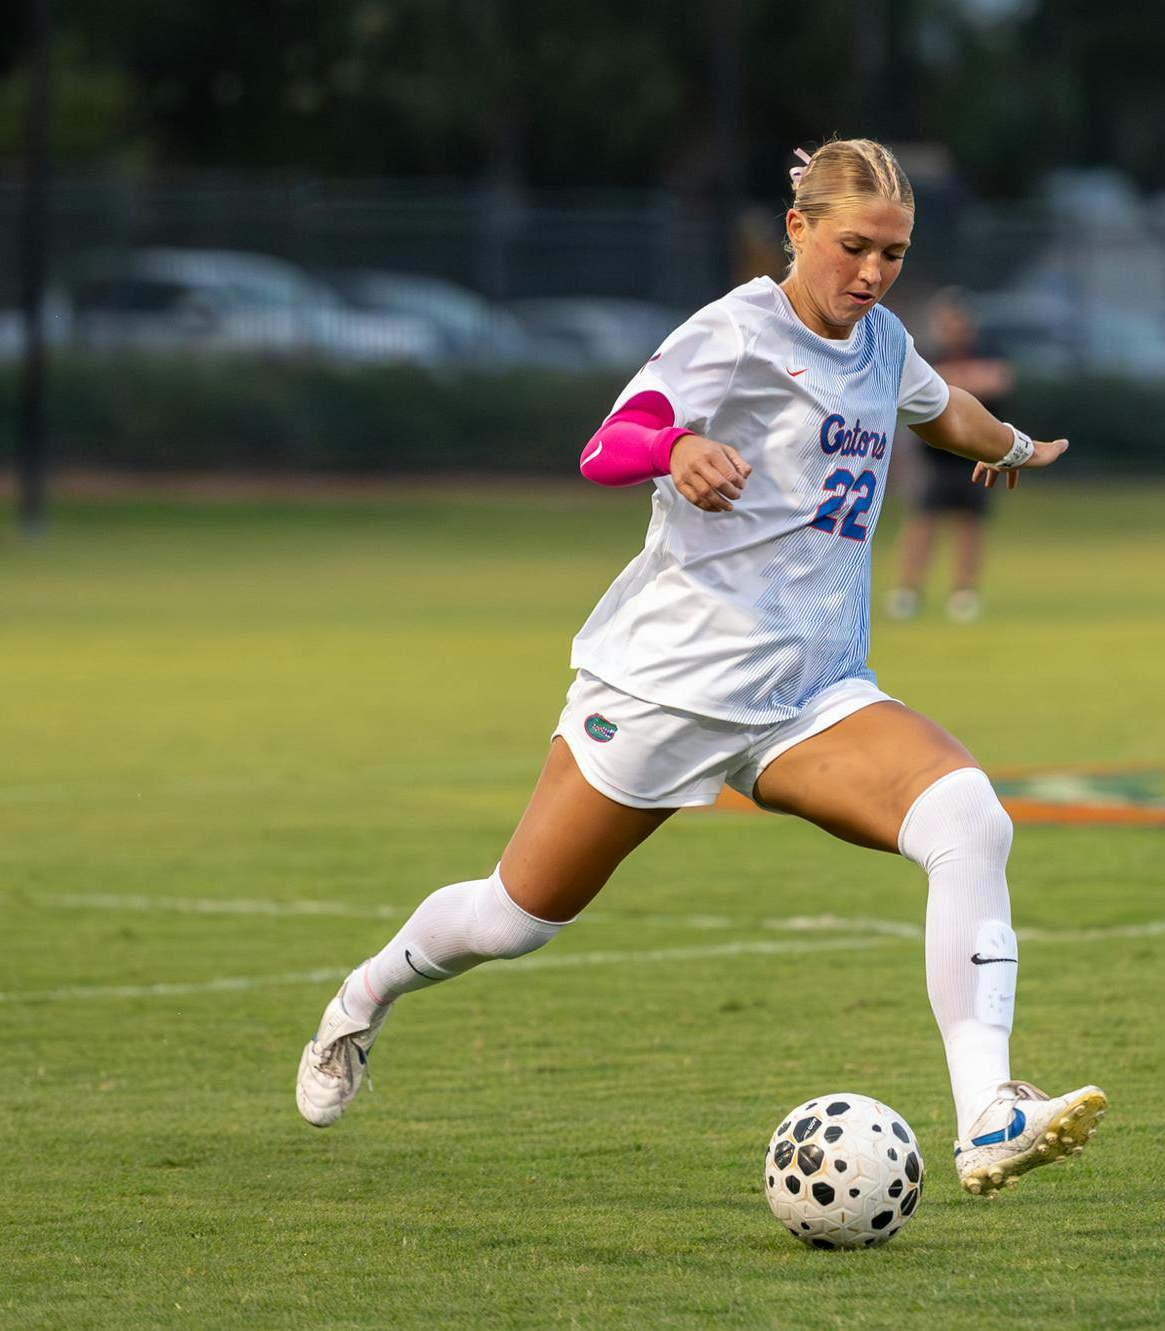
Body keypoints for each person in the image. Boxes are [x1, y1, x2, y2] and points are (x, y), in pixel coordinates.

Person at [295, 138, 1105, 1198]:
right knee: (514, 916)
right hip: (665, 688)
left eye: (892, 254)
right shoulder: (733, 333)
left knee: (967, 818)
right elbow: (605, 445)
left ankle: (988, 1112)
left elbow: (934, 404)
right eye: (852, 246)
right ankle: (358, 999)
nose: (869, 273)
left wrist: (1005, 443)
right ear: (798, 231)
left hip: (808, 696)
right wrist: (673, 450)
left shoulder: (881, 340)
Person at [886, 287, 1015, 624]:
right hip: (935, 456)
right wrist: (961, 384)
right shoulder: (927, 355)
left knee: (969, 523)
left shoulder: (985, 351)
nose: (953, 327)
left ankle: (964, 592)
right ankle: (909, 591)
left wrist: (951, 385)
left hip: (977, 455)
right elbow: (922, 390)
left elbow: (997, 381)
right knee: (922, 521)